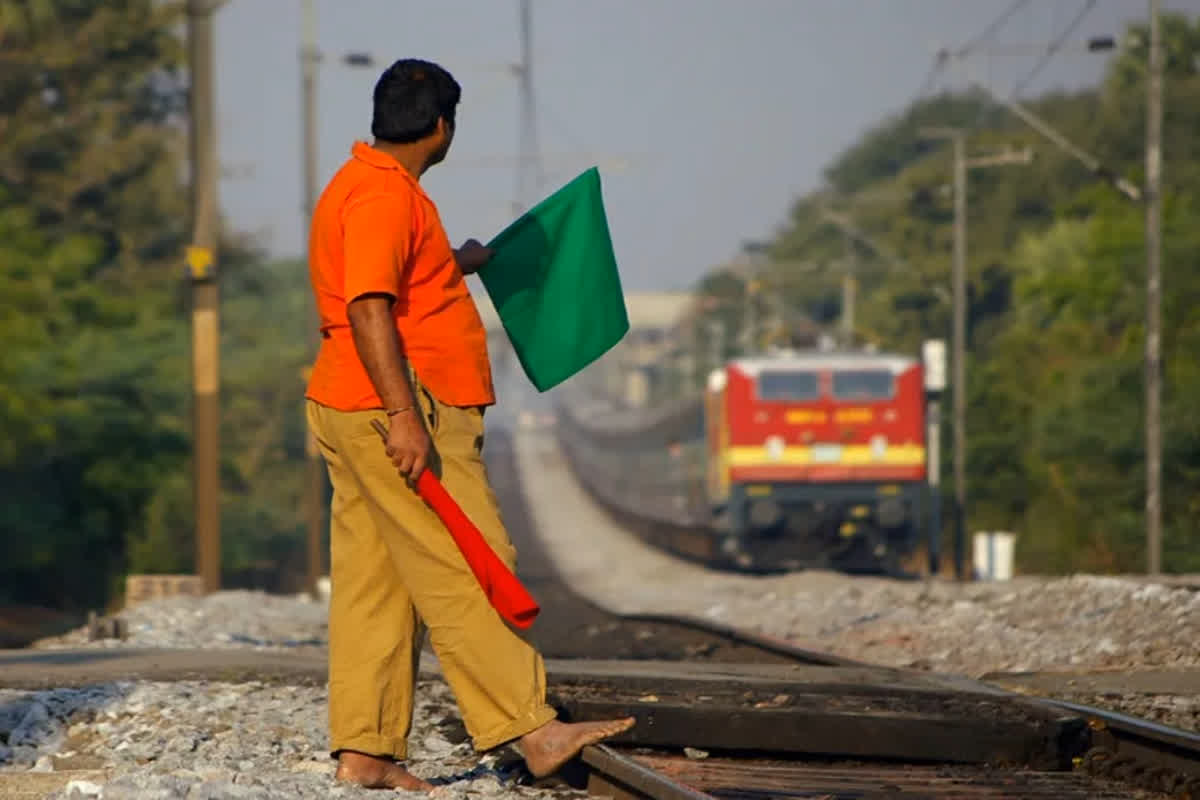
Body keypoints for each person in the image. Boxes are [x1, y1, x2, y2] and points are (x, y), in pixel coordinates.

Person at [303, 58, 635, 792]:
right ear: (444, 127)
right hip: (392, 408)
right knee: (464, 563)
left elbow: (394, 281)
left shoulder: (368, 186)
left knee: (376, 581)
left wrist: (463, 263)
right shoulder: (385, 199)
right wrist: (402, 417)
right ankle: (530, 726)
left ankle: (365, 749)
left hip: (352, 402)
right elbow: (367, 306)